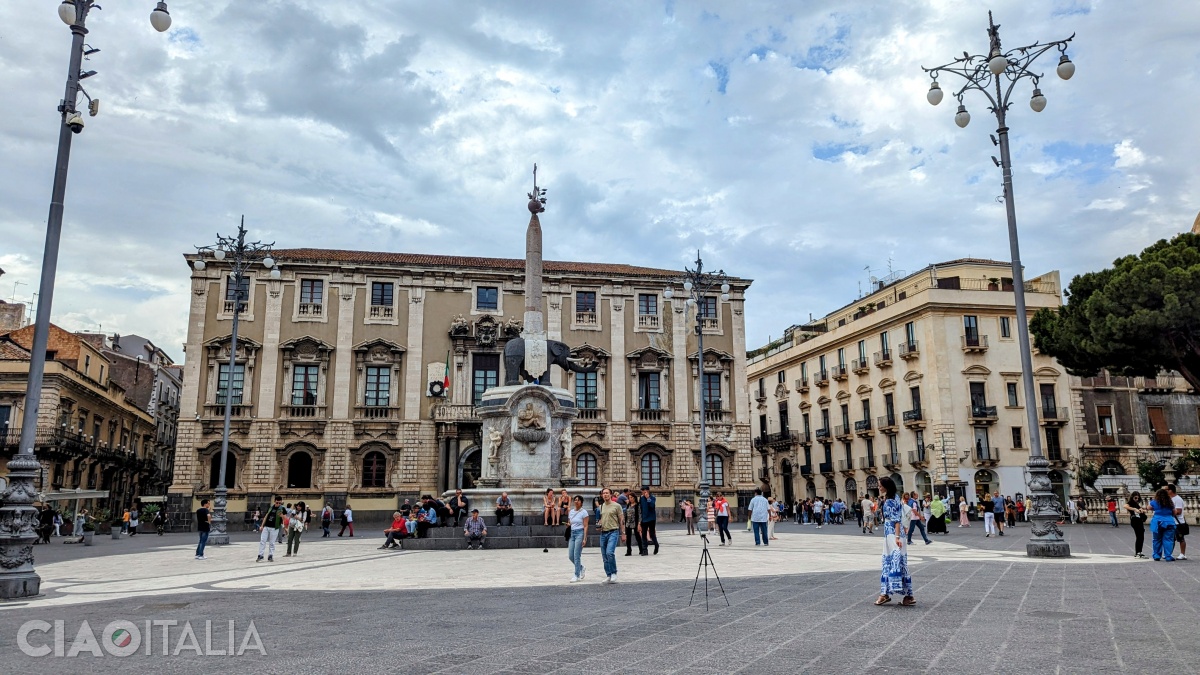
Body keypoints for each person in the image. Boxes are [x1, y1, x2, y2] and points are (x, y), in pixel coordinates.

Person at [875, 477, 914, 606]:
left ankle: (884, 594)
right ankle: (908, 595)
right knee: (901, 562)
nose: (879, 488)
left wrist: (896, 537)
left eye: (880, 486)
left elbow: (896, 519)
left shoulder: (890, 501)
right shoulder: (896, 497)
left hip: (892, 533)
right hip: (897, 533)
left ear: (886, 486)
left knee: (889, 562)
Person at [597, 488, 625, 583]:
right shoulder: (601, 507)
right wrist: (599, 525)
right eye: (603, 493)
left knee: (610, 553)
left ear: (611, 494)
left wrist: (623, 533)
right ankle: (608, 574)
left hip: (613, 531)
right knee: (604, 555)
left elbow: (621, 520)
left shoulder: (617, 506)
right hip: (603, 532)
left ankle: (614, 573)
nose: (605, 495)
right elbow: (600, 519)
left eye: (607, 493)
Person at [1149, 488, 1178, 561]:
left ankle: (1156, 555)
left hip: (1157, 522)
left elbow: (1148, 507)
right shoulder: (1170, 502)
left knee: (1156, 539)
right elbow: (1174, 512)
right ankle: (1168, 556)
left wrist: (1156, 509)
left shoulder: (1154, 502)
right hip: (1169, 522)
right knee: (1168, 539)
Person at [257, 496, 286, 562]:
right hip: (266, 526)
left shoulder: (282, 509)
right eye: (277, 502)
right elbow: (266, 516)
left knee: (272, 542)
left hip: (274, 528)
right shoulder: (271, 507)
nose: (278, 504)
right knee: (262, 541)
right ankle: (260, 555)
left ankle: (270, 555)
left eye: (279, 503)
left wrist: (282, 516)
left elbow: (285, 518)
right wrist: (262, 525)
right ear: (274, 501)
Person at [567, 495, 589, 582]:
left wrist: (585, 538)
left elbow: (586, 525)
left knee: (577, 555)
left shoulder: (584, 512)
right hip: (572, 533)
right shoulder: (571, 512)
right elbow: (570, 522)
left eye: (578, 500)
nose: (576, 501)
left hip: (580, 533)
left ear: (581, 502)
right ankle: (581, 567)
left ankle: (576, 575)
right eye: (575, 500)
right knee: (570, 556)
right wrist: (568, 524)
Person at [1167, 484, 1188, 560]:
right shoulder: (1170, 499)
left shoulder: (1178, 499)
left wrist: (1169, 512)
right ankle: (1169, 553)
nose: (1166, 491)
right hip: (1173, 522)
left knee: (1180, 538)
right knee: (1171, 538)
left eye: (1167, 490)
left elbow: (1178, 511)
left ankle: (1182, 554)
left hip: (1178, 522)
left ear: (1171, 490)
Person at [1125, 492, 1148, 559]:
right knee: (1139, 536)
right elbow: (1125, 506)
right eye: (1135, 497)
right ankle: (1138, 552)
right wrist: (1134, 509)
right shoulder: (1131, 503)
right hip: (1135, 520)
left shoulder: (1136, 503)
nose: (1137, 499)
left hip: (1139, 520)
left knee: (1141, 536)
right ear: (1132, 497)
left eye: (1138, 498)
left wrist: (1142, 510)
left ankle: (1139, 551)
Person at [639, 486, 659, 555]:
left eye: (643, 491)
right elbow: (641, 508)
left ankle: (656, 545)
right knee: (644, 534)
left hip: (651, 518)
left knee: (652, 533)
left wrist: (648, 498)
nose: (642, 492)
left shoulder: (652, 498)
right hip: (644, 519)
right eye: (642, 491)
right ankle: (645, 550)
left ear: (647, 491)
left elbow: (652, 506)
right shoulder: (641, 498)